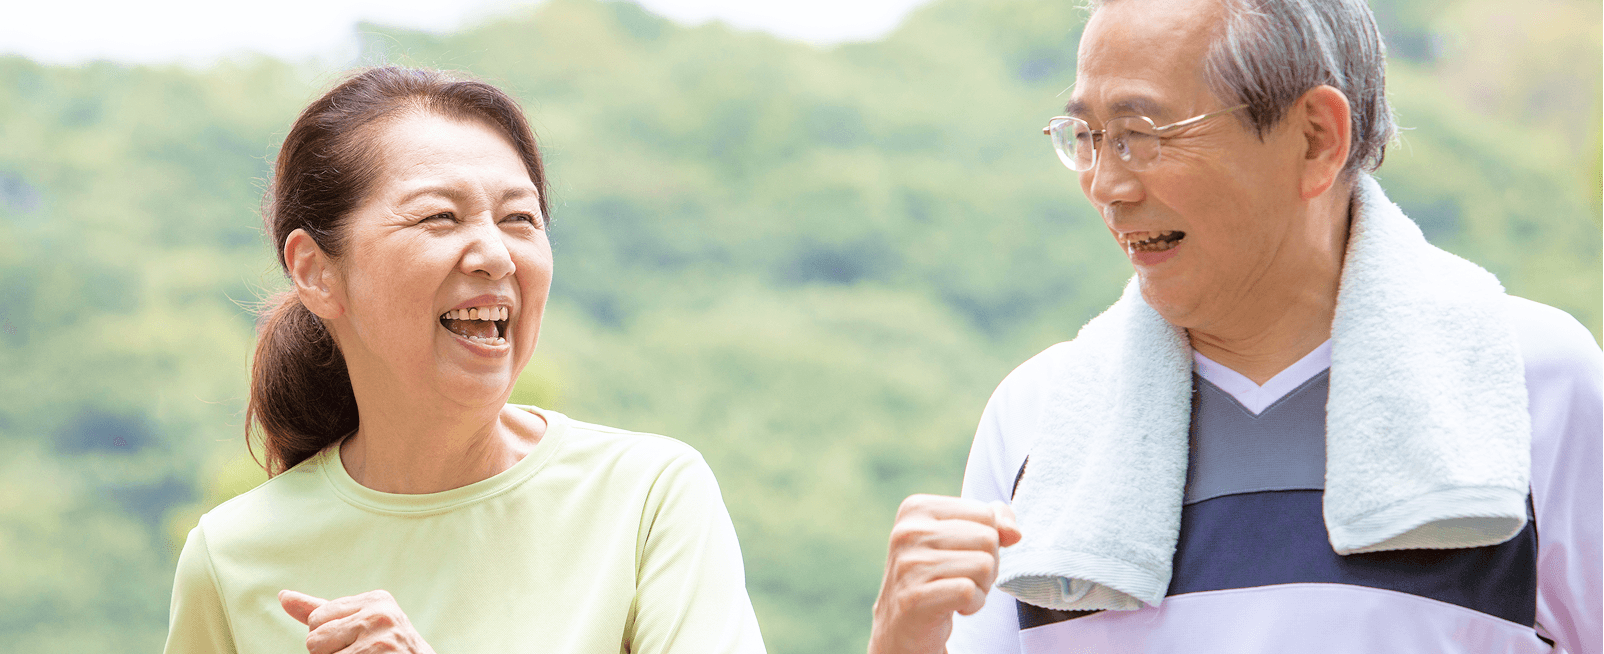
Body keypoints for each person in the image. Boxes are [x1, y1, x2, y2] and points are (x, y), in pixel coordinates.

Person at [868, 0, 1601, 652]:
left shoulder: (1529, 380)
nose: (1105, 184)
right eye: (1086, 135)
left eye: (1140, 132)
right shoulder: (1039, 421)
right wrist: (903, 641)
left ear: (1316, 136)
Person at [163, 67, 766, 653]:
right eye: (440, 217)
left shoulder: (645, 496)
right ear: (316, 271)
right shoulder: (230, 557)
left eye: (519, 219)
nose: (496, 256)